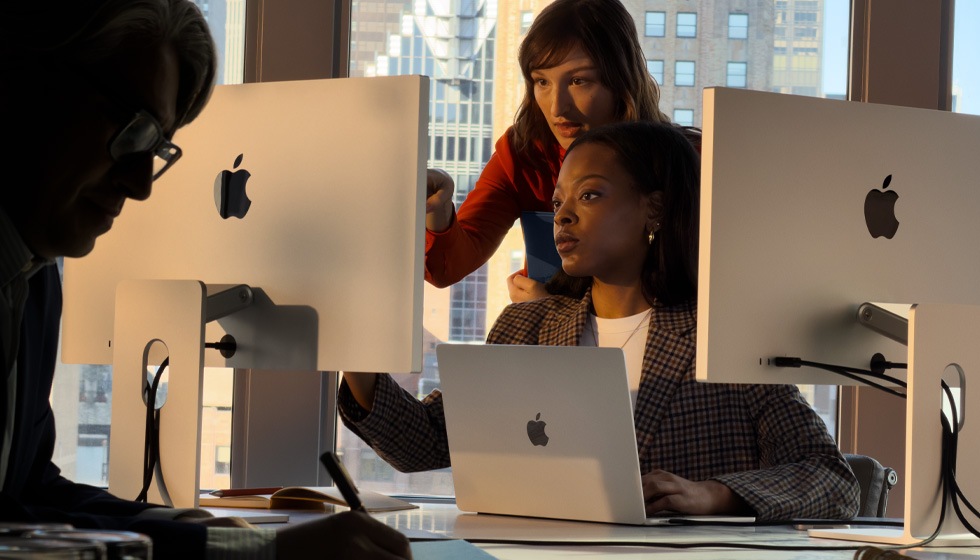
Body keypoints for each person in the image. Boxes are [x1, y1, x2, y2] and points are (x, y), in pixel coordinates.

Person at [0, 2, 411, 559]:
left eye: (157, 147)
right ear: (27, 77)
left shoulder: (34, 280)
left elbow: (26, 495)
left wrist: (253, 547)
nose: (141, 184)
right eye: (133, 130)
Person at [340, 121, 860, 520]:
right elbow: (423, 444)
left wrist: (713, 494)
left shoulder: (724, 335)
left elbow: (832, 481)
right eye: (557, 201)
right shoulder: (526, 328)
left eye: (589, 195)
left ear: (654, 210)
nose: (563, 215)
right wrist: (357, 330)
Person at [424, 0, 683, 303]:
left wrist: (550, 313)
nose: (557, 107)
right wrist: (439, 212)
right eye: (542, 81)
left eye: (578, 81)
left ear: (621, 80)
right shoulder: (522, 154)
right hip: (550, 345)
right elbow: (446, 269)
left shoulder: (682, 160)